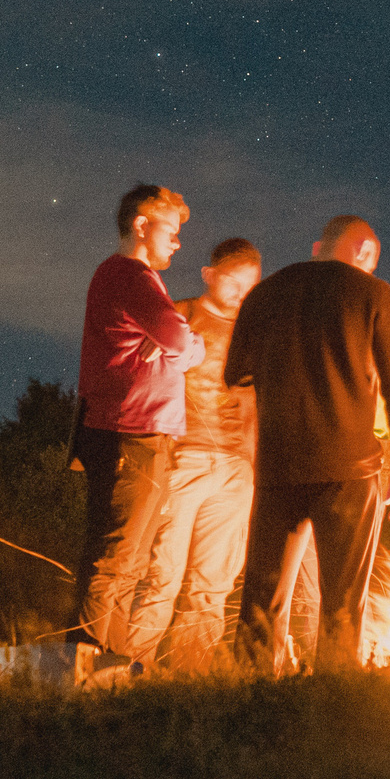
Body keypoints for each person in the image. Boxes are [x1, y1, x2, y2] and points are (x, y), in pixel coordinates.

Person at [227, 214, 390, 670]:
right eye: (372, 257)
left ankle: (248, 699)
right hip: (350, 468)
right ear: (361, 251)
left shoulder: (265, 293)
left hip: (278, 465)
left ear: (320, 247)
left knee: (263, 598)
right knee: (342, 601)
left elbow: (235, 372)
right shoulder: (375, 295)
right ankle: (335, 703)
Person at [69, 184, 207, 675]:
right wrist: (180, 343)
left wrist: (177, 342)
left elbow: (177, 341)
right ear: (143, 225)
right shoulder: (129, 275)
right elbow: (181, 340)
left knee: (125, 559)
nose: (177, 242)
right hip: (132, 433)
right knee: (116, 559)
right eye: (171, 230)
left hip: (140, 433)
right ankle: (84, 669)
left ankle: (108, 666)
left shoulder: (134, 279)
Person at [122, 237, 264, 672]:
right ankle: (127, 671)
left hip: (237, 469)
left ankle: (191, 680)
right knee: (162, 573)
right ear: (209, 275)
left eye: (250, 285)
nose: (242, 293)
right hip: (184, 460)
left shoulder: (255, 333)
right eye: (233, 282)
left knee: (213, 584)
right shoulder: (180, 316)